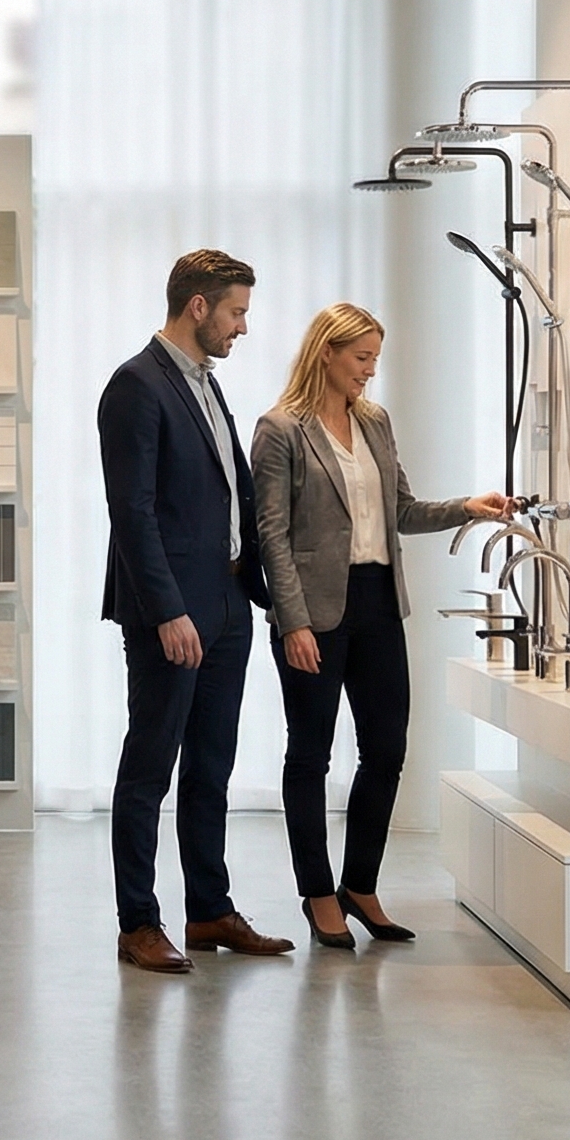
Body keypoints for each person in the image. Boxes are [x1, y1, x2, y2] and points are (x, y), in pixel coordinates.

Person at [250, 303, 510, 948]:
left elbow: (402, 510)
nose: (370, 371)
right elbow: (271, 535)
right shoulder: (281, 428)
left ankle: (359, 886)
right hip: (312, 612)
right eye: (361, 358)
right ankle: (318, 895)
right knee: (309, 754)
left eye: (375, 359)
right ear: (327, 354)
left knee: (386, 750)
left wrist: (466, 508)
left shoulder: (374, 421)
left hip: (376, 604)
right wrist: (293, 622)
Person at [98, 250, 296, 974]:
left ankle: (209, 910)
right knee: (149, 766)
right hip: (171, 615)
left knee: (211, 763)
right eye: (237, 311)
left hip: (227, 602)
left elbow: (227, 498)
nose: (244, 327)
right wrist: (166, 612)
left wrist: (262, 597)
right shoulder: (135, 385)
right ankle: (137, 922)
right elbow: (133, 513)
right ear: (198, 307)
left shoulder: (207, 386)